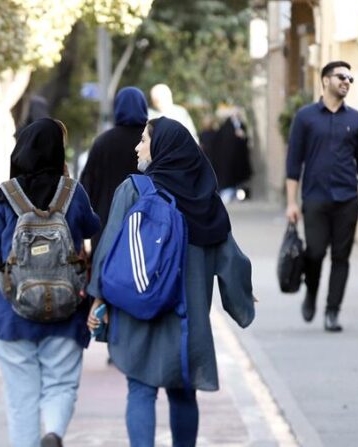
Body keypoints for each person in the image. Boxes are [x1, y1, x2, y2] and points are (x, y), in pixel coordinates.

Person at [86, 117, 255, 447]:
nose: (137, 147)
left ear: (162, 148)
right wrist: (242, 299)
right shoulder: (207, 203)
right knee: (183, 392)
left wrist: (97, 300)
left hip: (138, 310)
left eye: (144, 141)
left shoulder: (133, 190)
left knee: (140, 390)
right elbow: (230, 259)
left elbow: (107, 252)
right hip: (186, 318)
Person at [0, 118, 100, 447]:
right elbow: (92, 227)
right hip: (67, 310)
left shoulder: (6, 198)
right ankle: (54, 433)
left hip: (13, 312)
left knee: (21, 398)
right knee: (61, 384)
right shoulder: (73, 194)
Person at [285, 60, 358, 333]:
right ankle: (311, 292)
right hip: (314, 198)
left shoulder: (357, 120)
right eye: (341, 77)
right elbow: (294, 163)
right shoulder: (305, 118)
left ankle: (332, 311)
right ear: (325, 80)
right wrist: (292, 203)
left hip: (347, 200)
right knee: (315, 252)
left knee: (341, 256)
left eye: (350, 79)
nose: (346, 82)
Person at [79, 86, 146, 254]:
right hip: (145, 224)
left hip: (106, 226)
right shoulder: (151, 141)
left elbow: (87, 186)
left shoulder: (103, 142)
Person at [209, 106, 252, 203]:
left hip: (240, 158)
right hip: (229, 159)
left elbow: (245, 139)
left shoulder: (242, 125)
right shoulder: (226, 126)